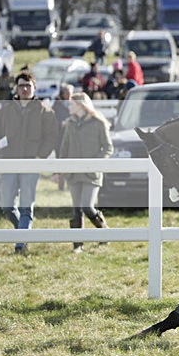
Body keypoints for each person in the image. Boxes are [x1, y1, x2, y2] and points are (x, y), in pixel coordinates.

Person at [0, 71, 58, 254]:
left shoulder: (44, 111)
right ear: (16, 88)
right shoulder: (5, 110)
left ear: (34, 88)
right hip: (9, 163)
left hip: (31, 163)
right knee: (6, 205)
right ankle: (24, 231)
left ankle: (20, 244)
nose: (25, 89)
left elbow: (52, 137)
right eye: (21, 86)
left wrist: (40, 157)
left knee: (26, 206)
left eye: (28, 86)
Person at [58, 92, 113, 253]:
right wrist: (59, 170)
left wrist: (95, 163)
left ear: (81, 105)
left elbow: (108, 147)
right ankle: (77, 245)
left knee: (87, 206)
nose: (68, 107)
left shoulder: (98, 123)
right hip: (73, 174)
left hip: (92, 174)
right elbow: (64, 149)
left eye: (71, 104)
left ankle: (104, 233)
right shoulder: (70, 123)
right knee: (77, 209)